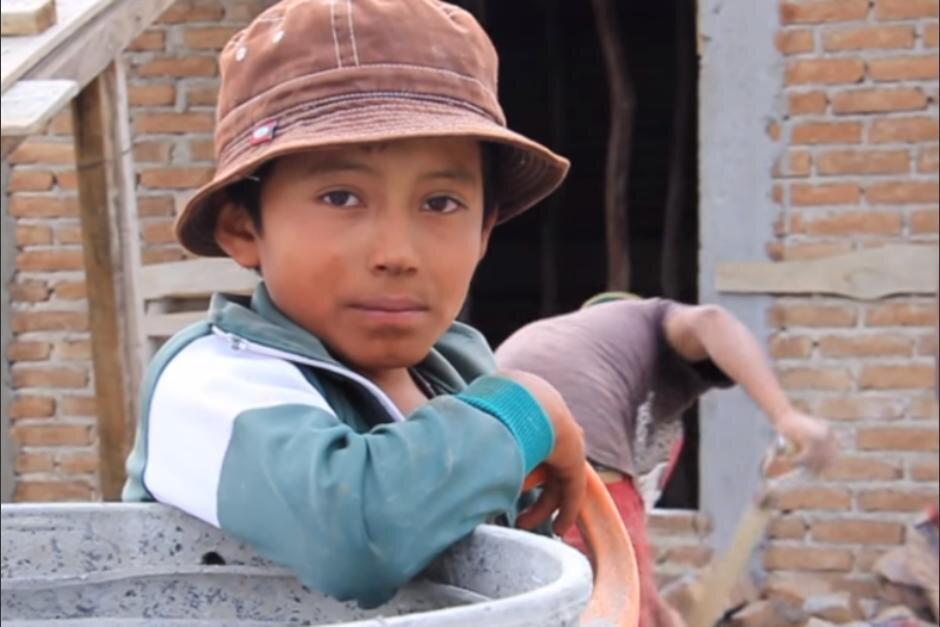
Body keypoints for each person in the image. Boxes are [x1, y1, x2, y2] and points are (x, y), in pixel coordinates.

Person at [122, 0, 587, 609]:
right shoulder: (210, 383)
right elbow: (359, 535)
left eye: (441, 203)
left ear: (484, 232)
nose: (396, 253)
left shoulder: (459, 371)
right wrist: (528, 410)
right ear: (242, 228)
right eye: (341, 197)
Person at [496, 293, 839, 627]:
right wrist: (784, 415)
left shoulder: (584, 345)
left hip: (498, 435)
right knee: (617, 601)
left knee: (535, 590)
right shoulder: (654, 321)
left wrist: (654, 605)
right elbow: (713, 320)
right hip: (573, 432)